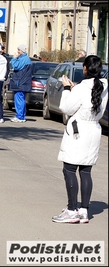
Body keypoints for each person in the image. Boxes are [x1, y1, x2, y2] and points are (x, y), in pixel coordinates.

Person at [52, 55, 108, 224]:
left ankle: (71, 210)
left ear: (85, 68)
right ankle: (83, 210)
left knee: (69, 169)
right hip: (94, 129)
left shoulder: (81, 88)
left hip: (79, 130)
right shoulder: (103, 86)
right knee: (85, 171)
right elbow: (90, 98)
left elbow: (66, 108)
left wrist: (67, 88)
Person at [9, 44, 32, 122]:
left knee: (19, 99)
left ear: (22, 50)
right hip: (22, 82)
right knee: (20, 99)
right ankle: (21, 116)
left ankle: (20, 116)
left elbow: (16, 66)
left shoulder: (24, 59)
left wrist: (14, 59)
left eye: (18, 50)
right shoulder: (25, 59)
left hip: (20, 82)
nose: (17, 51)